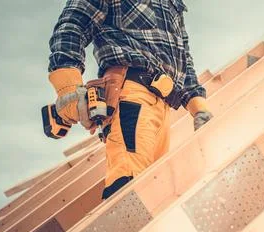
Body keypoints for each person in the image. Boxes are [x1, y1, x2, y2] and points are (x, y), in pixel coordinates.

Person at [47, 0, 212, 199]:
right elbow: (71, 27)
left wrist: (198, 107)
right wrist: (68, 87)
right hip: (132, 94)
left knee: (155, 198)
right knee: (130, 190)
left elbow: (184, 62)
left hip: (163, 106)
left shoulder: (172, 3)